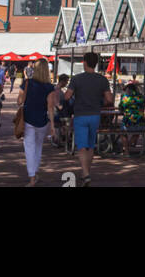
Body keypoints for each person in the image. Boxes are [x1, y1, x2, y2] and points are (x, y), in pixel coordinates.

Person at [64, 51, 114, 188]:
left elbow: (67, 97)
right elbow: (109, 99)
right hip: (95, 115)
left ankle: (85, 173)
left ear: (84, 62)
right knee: (90, 145)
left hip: (80, 115)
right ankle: (86, 172)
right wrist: (99, 102)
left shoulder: (76, 79)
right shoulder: (102, 79)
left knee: (81, 146)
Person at [18, 58, 55, 187]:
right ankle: (35, 172)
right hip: (42, 120)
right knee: (38, 148)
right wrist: (53, 126)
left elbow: (19, 101)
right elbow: (50, 107)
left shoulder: (27, 83)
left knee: (29, 148)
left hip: (28, 118)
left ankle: (32, 177)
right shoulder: (50, 87)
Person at [119, 78, 145, 154]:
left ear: (128, 89)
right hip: (141, 123)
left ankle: (126, 150)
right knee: (137, 132)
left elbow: (120, 108)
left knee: (122, 132)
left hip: (128, 123)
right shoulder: (142, 97)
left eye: (126, 90)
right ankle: (129, 145)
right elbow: (143, 109)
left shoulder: (125, 98)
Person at [51, 73, 71, 147]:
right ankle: (65, 136)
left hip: (58, 112)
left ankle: (64, 135)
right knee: (68, 120)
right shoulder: (57, 90)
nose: (66, 84)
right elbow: (57, 104)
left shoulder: (59, 90)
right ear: (62, 81)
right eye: (66, 82)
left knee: (68, 119)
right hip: (57, 113)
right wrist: (62, 107)